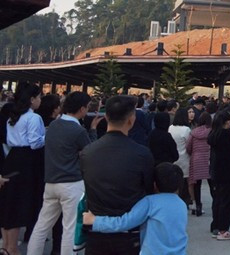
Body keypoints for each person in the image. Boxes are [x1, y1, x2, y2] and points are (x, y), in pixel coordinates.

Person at [27, 92, 101, 255]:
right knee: (70, 228)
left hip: (51, 181)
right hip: (71, 183)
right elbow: (90, 152)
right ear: (82, 109)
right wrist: (93, 130)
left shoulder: (53, 125)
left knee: (42, 226)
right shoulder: (78, 130)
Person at [80, 95, 155, 255]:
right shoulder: (142, 154)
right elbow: (148, 189)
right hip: (130, 231)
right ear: (131, 119)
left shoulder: (88, 152)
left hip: (95, 229)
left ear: (106, 117)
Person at [83, 162, 188, 255]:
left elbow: (124, 223)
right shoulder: (181, 205)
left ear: (154, 184)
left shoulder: (150, 202)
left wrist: (95, 221)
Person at [0, 82, 45, 255]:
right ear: (32, 99)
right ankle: (13, 248)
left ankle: (6, 245)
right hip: (27, 159)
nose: (40, 100)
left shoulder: (14, 115)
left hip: (12, 158)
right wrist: (46, 136)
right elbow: (35, 143)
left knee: (8, 201)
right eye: (39, 96)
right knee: (20, 202)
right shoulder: (33, 118)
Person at [207, 111, 230, 240]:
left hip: (216, 171)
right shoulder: (228, 136)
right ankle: (223, 230)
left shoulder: (213, 135)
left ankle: (215, 225)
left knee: (217, 199)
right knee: (228, 201)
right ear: (227, 122)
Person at [186, 112, 211, 217]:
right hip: (209, 158)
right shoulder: (212, 131)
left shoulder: (193, 132)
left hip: (196, 158)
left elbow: (188, 147)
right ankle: (216, 203)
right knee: (212, 183)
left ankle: (198, 206)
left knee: (197, 185)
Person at [169, 108, 192, 206]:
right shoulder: (186, 129)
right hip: (184, 157)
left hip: (173, 157)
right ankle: (185, 201)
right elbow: (189, 145)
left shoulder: (170, 128)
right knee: (184, 182)